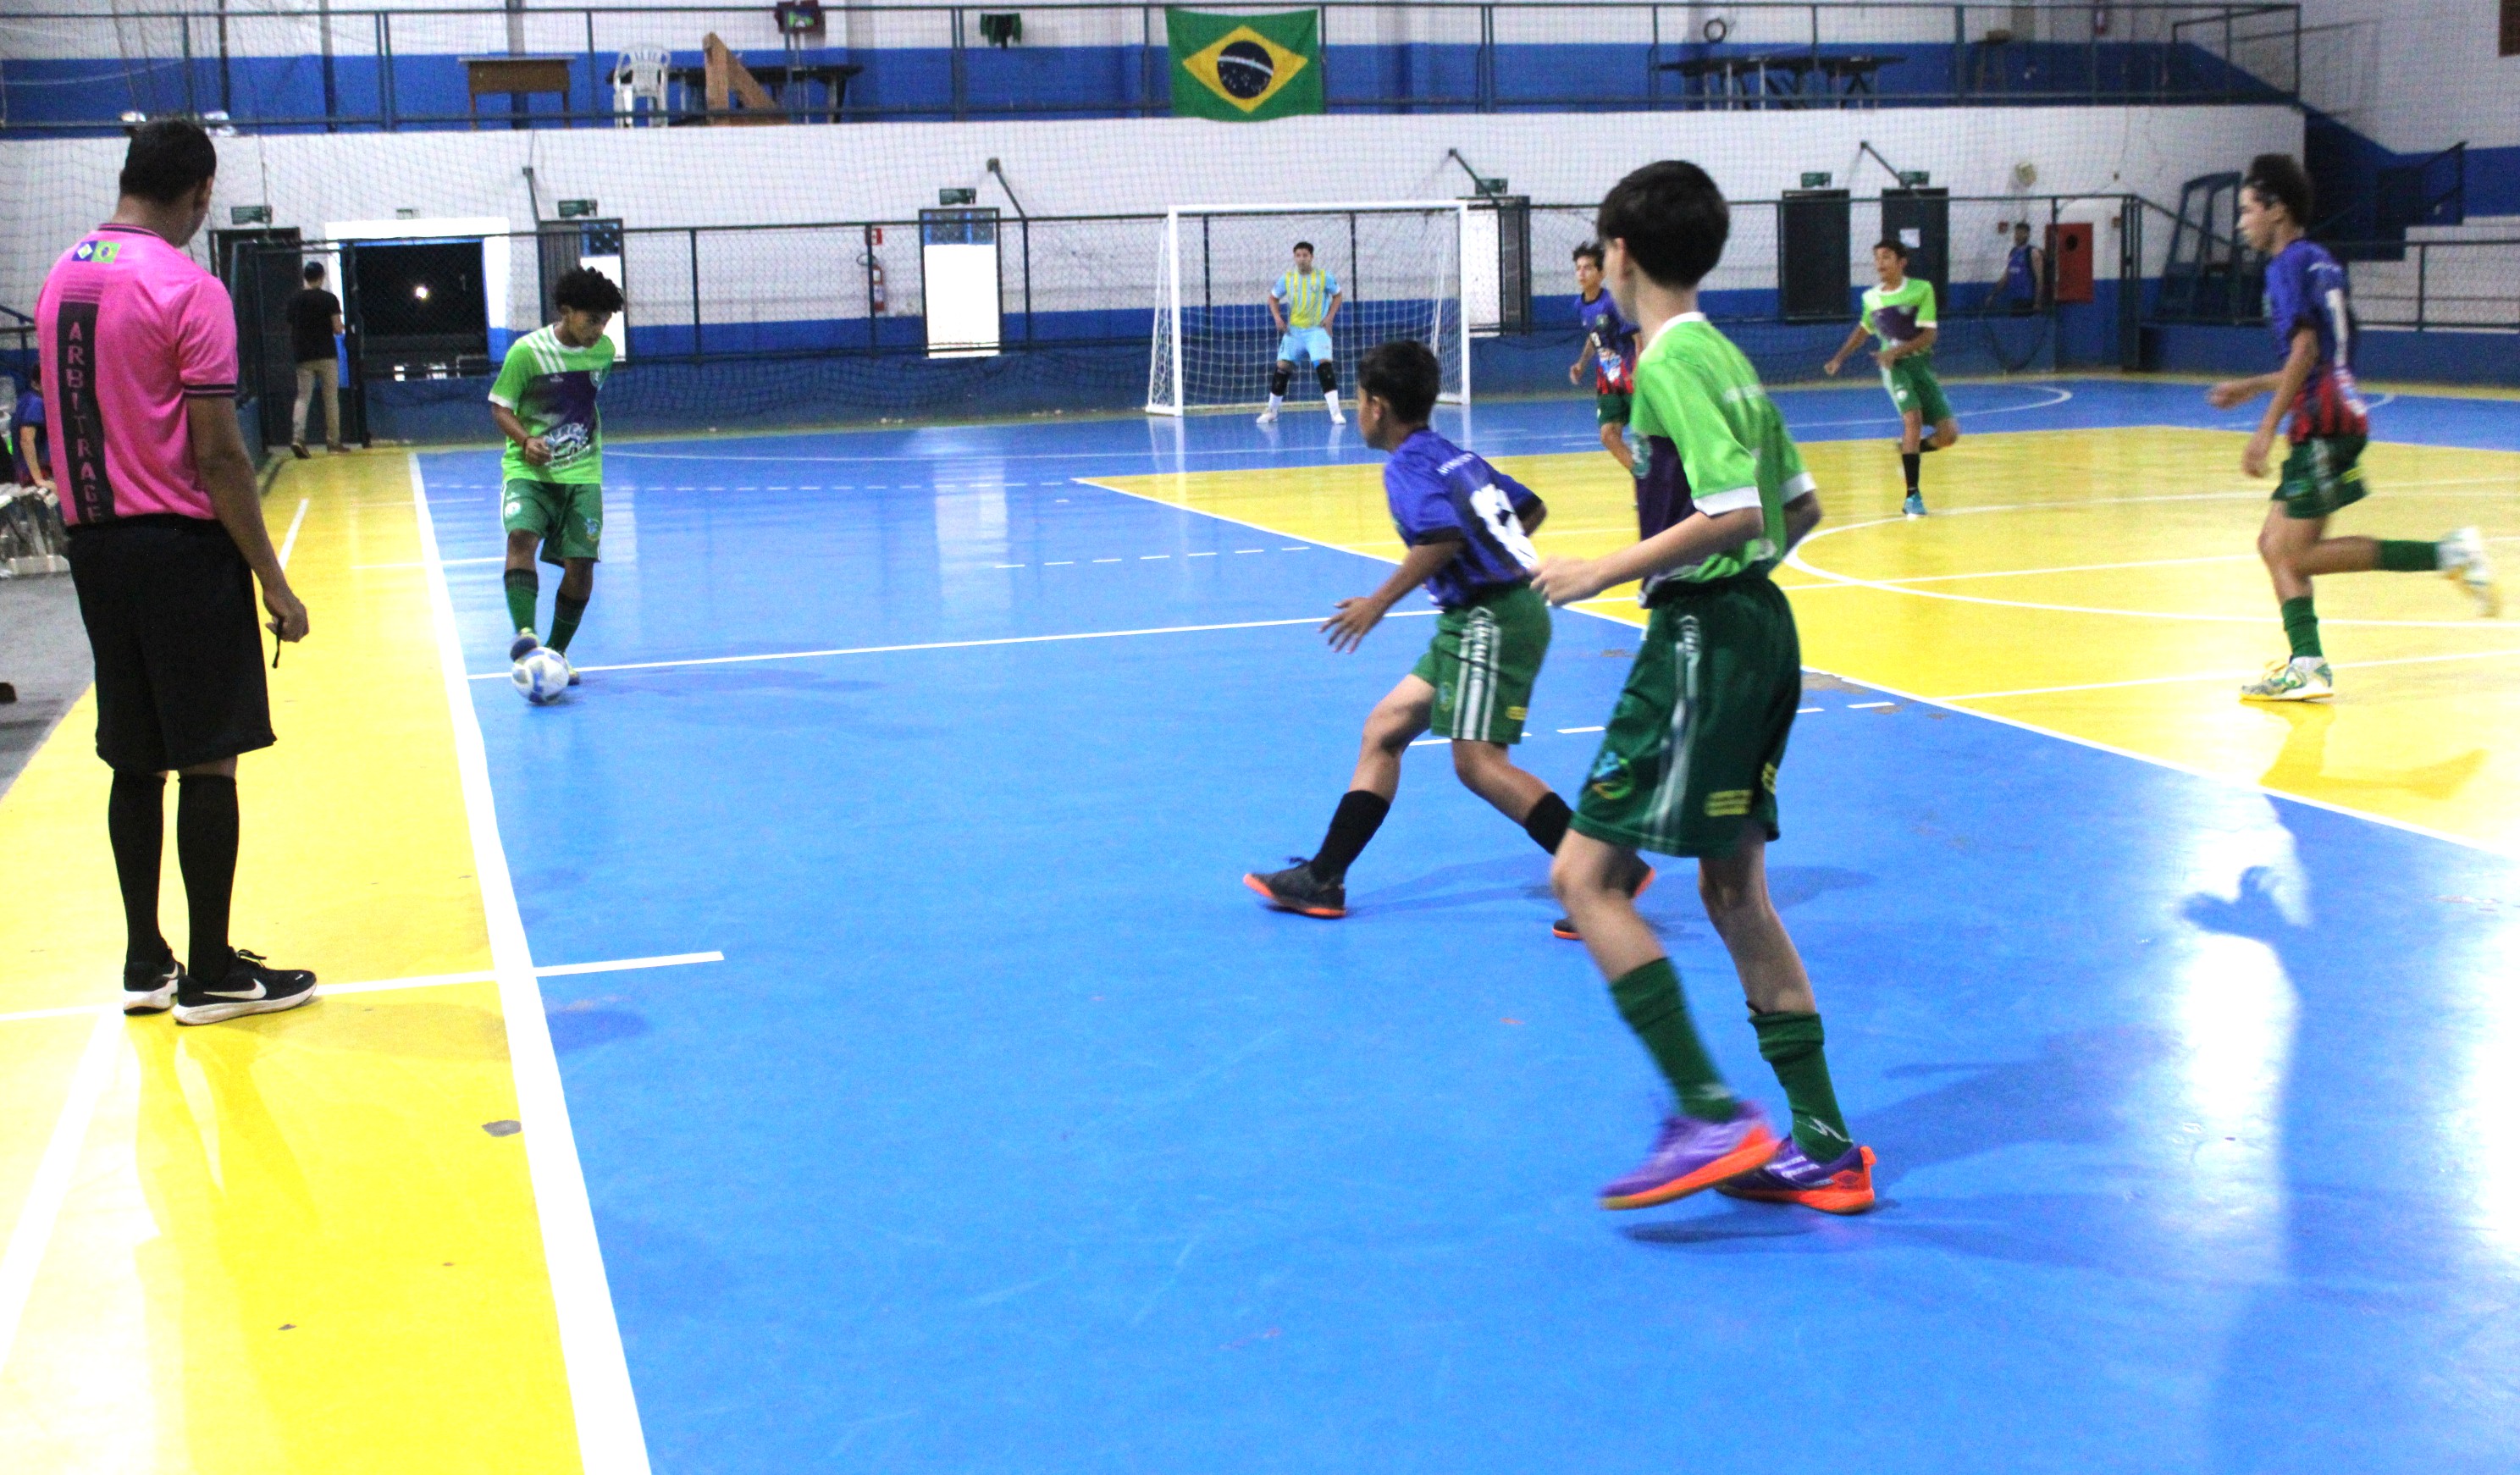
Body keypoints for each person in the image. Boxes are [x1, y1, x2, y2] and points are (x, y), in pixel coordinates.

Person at [1533, 159, 1874, 1217]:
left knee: (1585, 877)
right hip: (1763, 628)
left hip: (1704, 636)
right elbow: (1800, 507)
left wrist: (1605, 569)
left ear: (1619, 254)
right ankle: (1826, 1145)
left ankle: (1705, 1111)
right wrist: (1737, 575)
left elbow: (1735, 511)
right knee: (1733, 894)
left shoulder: (1670, 357)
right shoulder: (1726, 353)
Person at [36, 119, 315, 1025]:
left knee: (133, 757)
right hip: (179, 551)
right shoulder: (187, 287)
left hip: (94, 548)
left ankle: (143, 960)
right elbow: (220, 455)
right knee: (208, 759)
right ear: (199, 192)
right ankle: (213, 972)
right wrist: (273, 579)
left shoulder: (62, 275)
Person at [1245, 338, 1647, 933]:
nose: (1358, 409)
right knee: (1385, 730)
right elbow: (1528, 508)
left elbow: (1442, 539)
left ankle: (1607, 871)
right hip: (1476, 618)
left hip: (1491, 619)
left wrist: (1378, 604)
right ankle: (1324, 877)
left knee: (1478, 763)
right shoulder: (1453, 455)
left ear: (1377, 406)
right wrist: (1494, 553)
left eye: (1358, 398)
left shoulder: (1407, 467)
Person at [2206, 152, 2496, 701]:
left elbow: (2305, 350)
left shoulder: (2286, 265)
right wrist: (2253, 386)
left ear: (2277, 209)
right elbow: (2318, 356)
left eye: (2247, 210)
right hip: (2335, 412)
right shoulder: (2319, 260)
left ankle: (2448, 554)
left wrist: (2264, 428)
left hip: (2322, 422)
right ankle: (2307, 663)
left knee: (2293, 555)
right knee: (2272, 544)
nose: (2241, 222)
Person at [494, 266, 623, 682]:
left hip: (583, 471)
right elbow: (500, 406)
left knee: (581, 565)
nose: (599, 330)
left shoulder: (603, 351)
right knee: (521, 537)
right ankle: (525, 635)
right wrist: (526, 440)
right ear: (566, 311)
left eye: (605, 321)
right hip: (529, 469)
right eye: (592, 320)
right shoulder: (526, 353)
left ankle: (556, 653)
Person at [1823, 238, 1958, 517]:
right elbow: (1863, 330)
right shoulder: (1871, 298)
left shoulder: (1921, 290)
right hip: (1894, 368)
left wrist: (1896, 350)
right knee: (1913, 420)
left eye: (1886, 257)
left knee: (1948, 436)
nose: (1880, 263)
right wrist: (1839, 358)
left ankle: (1908, 449)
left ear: (1901, 262)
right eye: (1877, 258)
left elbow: (1929, 335)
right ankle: (1912, 496)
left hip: (1919, 365)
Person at [1567, 241, 1637, 472]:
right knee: (1608, 435)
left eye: (1588, 268)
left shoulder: (1613, 302)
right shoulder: (1580, 305)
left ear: (1601, 273)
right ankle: (1643, 477)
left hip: (1629, 372)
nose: (1581, 273)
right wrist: (1581, 363)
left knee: (1649, 432)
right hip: (1607, 377)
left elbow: (1638, 337)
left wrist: (1639, 370)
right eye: (1578, 268)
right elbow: (1594, 335)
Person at [1257, 241, 1344, 427]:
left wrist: (1330, 317)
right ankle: (1271, 411)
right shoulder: (1288, 278)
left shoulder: (1323, 277)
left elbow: (1338, 295)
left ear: (1312, 257)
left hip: (1317, 330)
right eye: (1298, 255)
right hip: (1294, 331)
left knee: (1324, 365)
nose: (1302, 259)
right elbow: (1273, 298)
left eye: (1305, 255)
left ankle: (1336, 413)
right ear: (1294, 258)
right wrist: (1278, 318)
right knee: (1282, 367)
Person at [285, 258, 345, 458]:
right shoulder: (329, 299)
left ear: (305, 277)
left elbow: (291, 324)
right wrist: (340, 327)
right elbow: (337, 328)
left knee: (303, 397)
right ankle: (333, 442)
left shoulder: (295, 299)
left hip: (303, 355)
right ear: (322, 277)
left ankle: (298, 438)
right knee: (331, 398)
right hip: (326, 354)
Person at [13, 362, 47, 490]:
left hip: (28, 473)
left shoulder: (27, 399)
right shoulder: (35, 403)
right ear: (35, 384)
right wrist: (38, 479)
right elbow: (26, 440)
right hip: (32, 476)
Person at [2000, 220, 2045, 314]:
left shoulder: (2033, 253)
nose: (2018, 236)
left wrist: (2037, 302)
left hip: (2028, 299)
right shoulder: (2013, 252)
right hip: (2015, 299)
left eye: (2021, 233)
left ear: (2027, 234)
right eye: (2016, 233)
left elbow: (2040, 279)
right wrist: (1993, 294)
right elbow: (2007, 276)